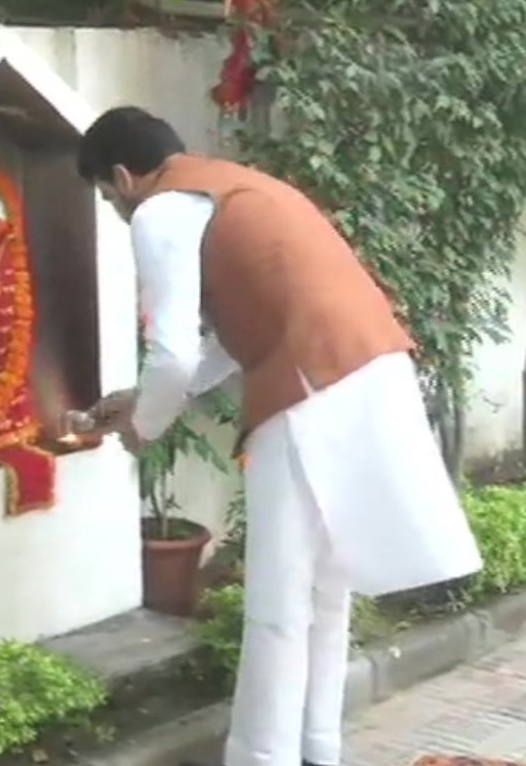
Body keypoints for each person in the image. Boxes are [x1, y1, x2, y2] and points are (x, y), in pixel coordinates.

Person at [75, 107, 482, 766]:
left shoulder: (159, 210)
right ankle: (318, 745)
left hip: (309, 388)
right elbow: (234, 338)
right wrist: (141, 402)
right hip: (366, 368)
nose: (115, 208)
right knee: (326, 586)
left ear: (122, 176)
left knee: (279, 595)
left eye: (105, 196)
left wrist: (146, 425)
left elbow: (172, 354)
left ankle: (262, 756)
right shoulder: (232, 185)